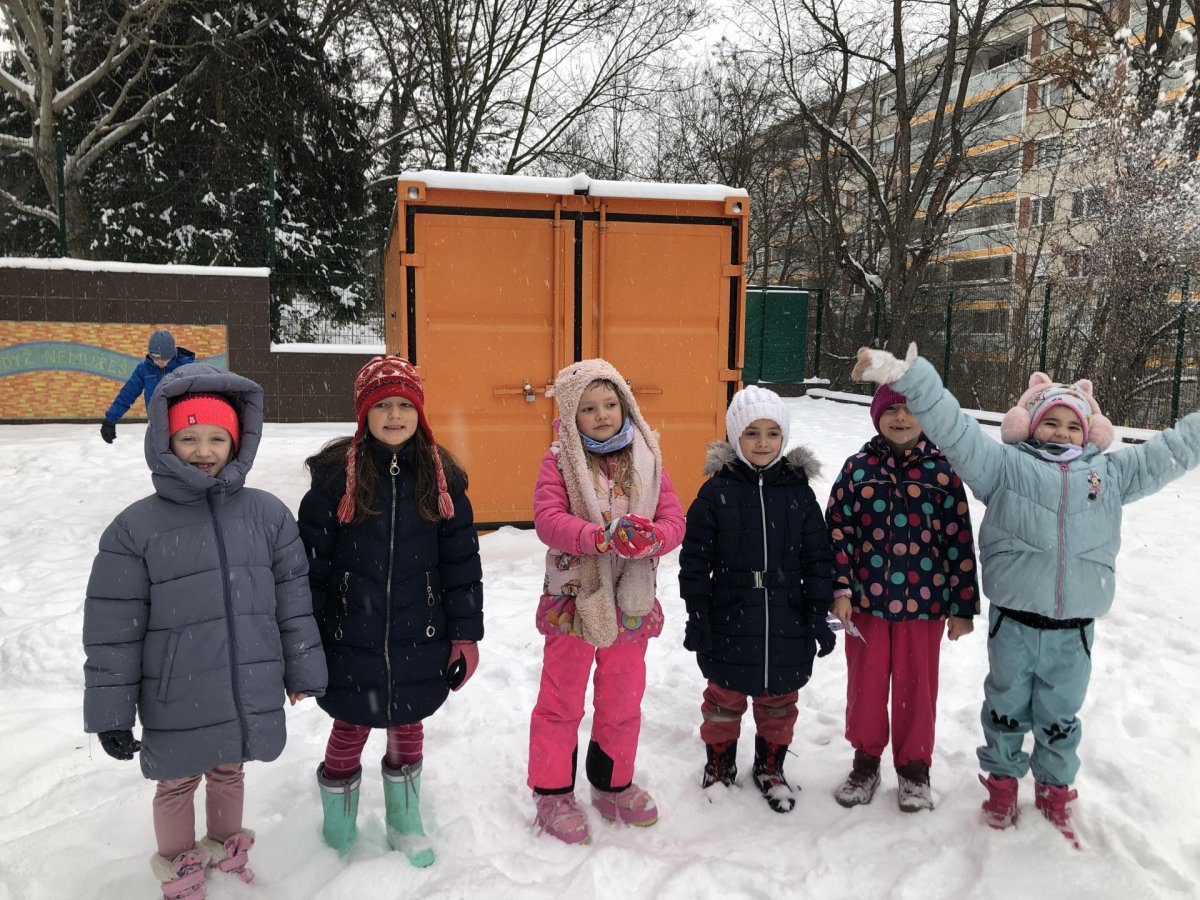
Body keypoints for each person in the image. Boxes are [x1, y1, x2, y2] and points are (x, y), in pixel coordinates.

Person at [852, 343, 1200, 848]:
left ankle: (1054, 791)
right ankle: (1001, 786)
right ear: (1030, 425)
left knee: (1061, 717)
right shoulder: (1003, 468)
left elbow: (1169, 451)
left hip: (1073, 632)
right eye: (1050, 422)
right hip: (1013, 622)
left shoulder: (1110, 476)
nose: (1061, 432)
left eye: (1073, 425)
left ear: (1089, 431)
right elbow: (953, 428)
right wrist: (908, 378)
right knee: (1005, 709)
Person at [82, 364, 328, 900]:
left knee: (230, 771)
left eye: (217, 438)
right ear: (165, 441)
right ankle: (180, 873)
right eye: (188, 437)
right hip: (176, 690)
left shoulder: (267, 515)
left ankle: (226, 848)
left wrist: (303, 667)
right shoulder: (135, 529)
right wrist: (110, 712)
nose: (203, 450)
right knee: (176, 782)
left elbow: (293, 599)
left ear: (237, 442)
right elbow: (113, 629)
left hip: (245, 682)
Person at [298, 356, 483, 866]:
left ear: (419, 412)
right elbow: (310, 569)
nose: (395, 415)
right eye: (382, 406)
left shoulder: (441, 479)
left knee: (408, 724)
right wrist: (305, 644)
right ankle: (338, 826)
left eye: (405, 405)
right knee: (349, 726)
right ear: (364, 414)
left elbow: (461, 564)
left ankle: (405, 820)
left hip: (420, 633)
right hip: (347, 635)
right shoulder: (335, 479)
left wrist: (464, 636)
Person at [528, 358, 685, 845]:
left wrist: (654, 538)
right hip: (576, 598)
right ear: (571, 415)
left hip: (630, 598)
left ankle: (612, 782)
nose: (602, 415)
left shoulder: (648, 457)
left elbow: (674, 518)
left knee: (622, 696)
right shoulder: (560, 461)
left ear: (626, 405)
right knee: (561, 698)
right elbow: (547, 519)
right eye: (589, 407)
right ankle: (552, 792)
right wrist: (598, 537)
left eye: (610, 404)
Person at [678, 385, 836, 813]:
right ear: (735, 437)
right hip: (730, 616)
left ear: (784, 436)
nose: (763, 443)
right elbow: (695, 562)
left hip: (787, 617)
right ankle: (720, 762)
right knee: (723, 699)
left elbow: (818, 559)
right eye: (751, 433)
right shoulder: (716, 493)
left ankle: (770, 766)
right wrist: (698, 614)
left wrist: (817, 614)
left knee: (779, 702)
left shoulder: (798, 493)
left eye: (772, 433)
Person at [825, 383, 979, 813]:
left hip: (924, 608)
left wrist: (962, 607)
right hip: (866, 606)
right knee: (866, 688)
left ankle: (914, 769)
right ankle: (865, 762)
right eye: (891, 410)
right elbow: (837, 532)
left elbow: (959, 542)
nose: (900, 418)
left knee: (917, 689)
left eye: (910, 410)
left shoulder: (943, 473)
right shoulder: (857, 469)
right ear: (877, 416)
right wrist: (840, 590)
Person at [100, 329, 195, 443]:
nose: (160, 363)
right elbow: (127, 394)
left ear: (172, 354)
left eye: (164, 359)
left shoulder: (187, 367)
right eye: (156, 359)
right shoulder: (145, 369)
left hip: (183, 425)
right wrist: (110, 420)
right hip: (156, 426)